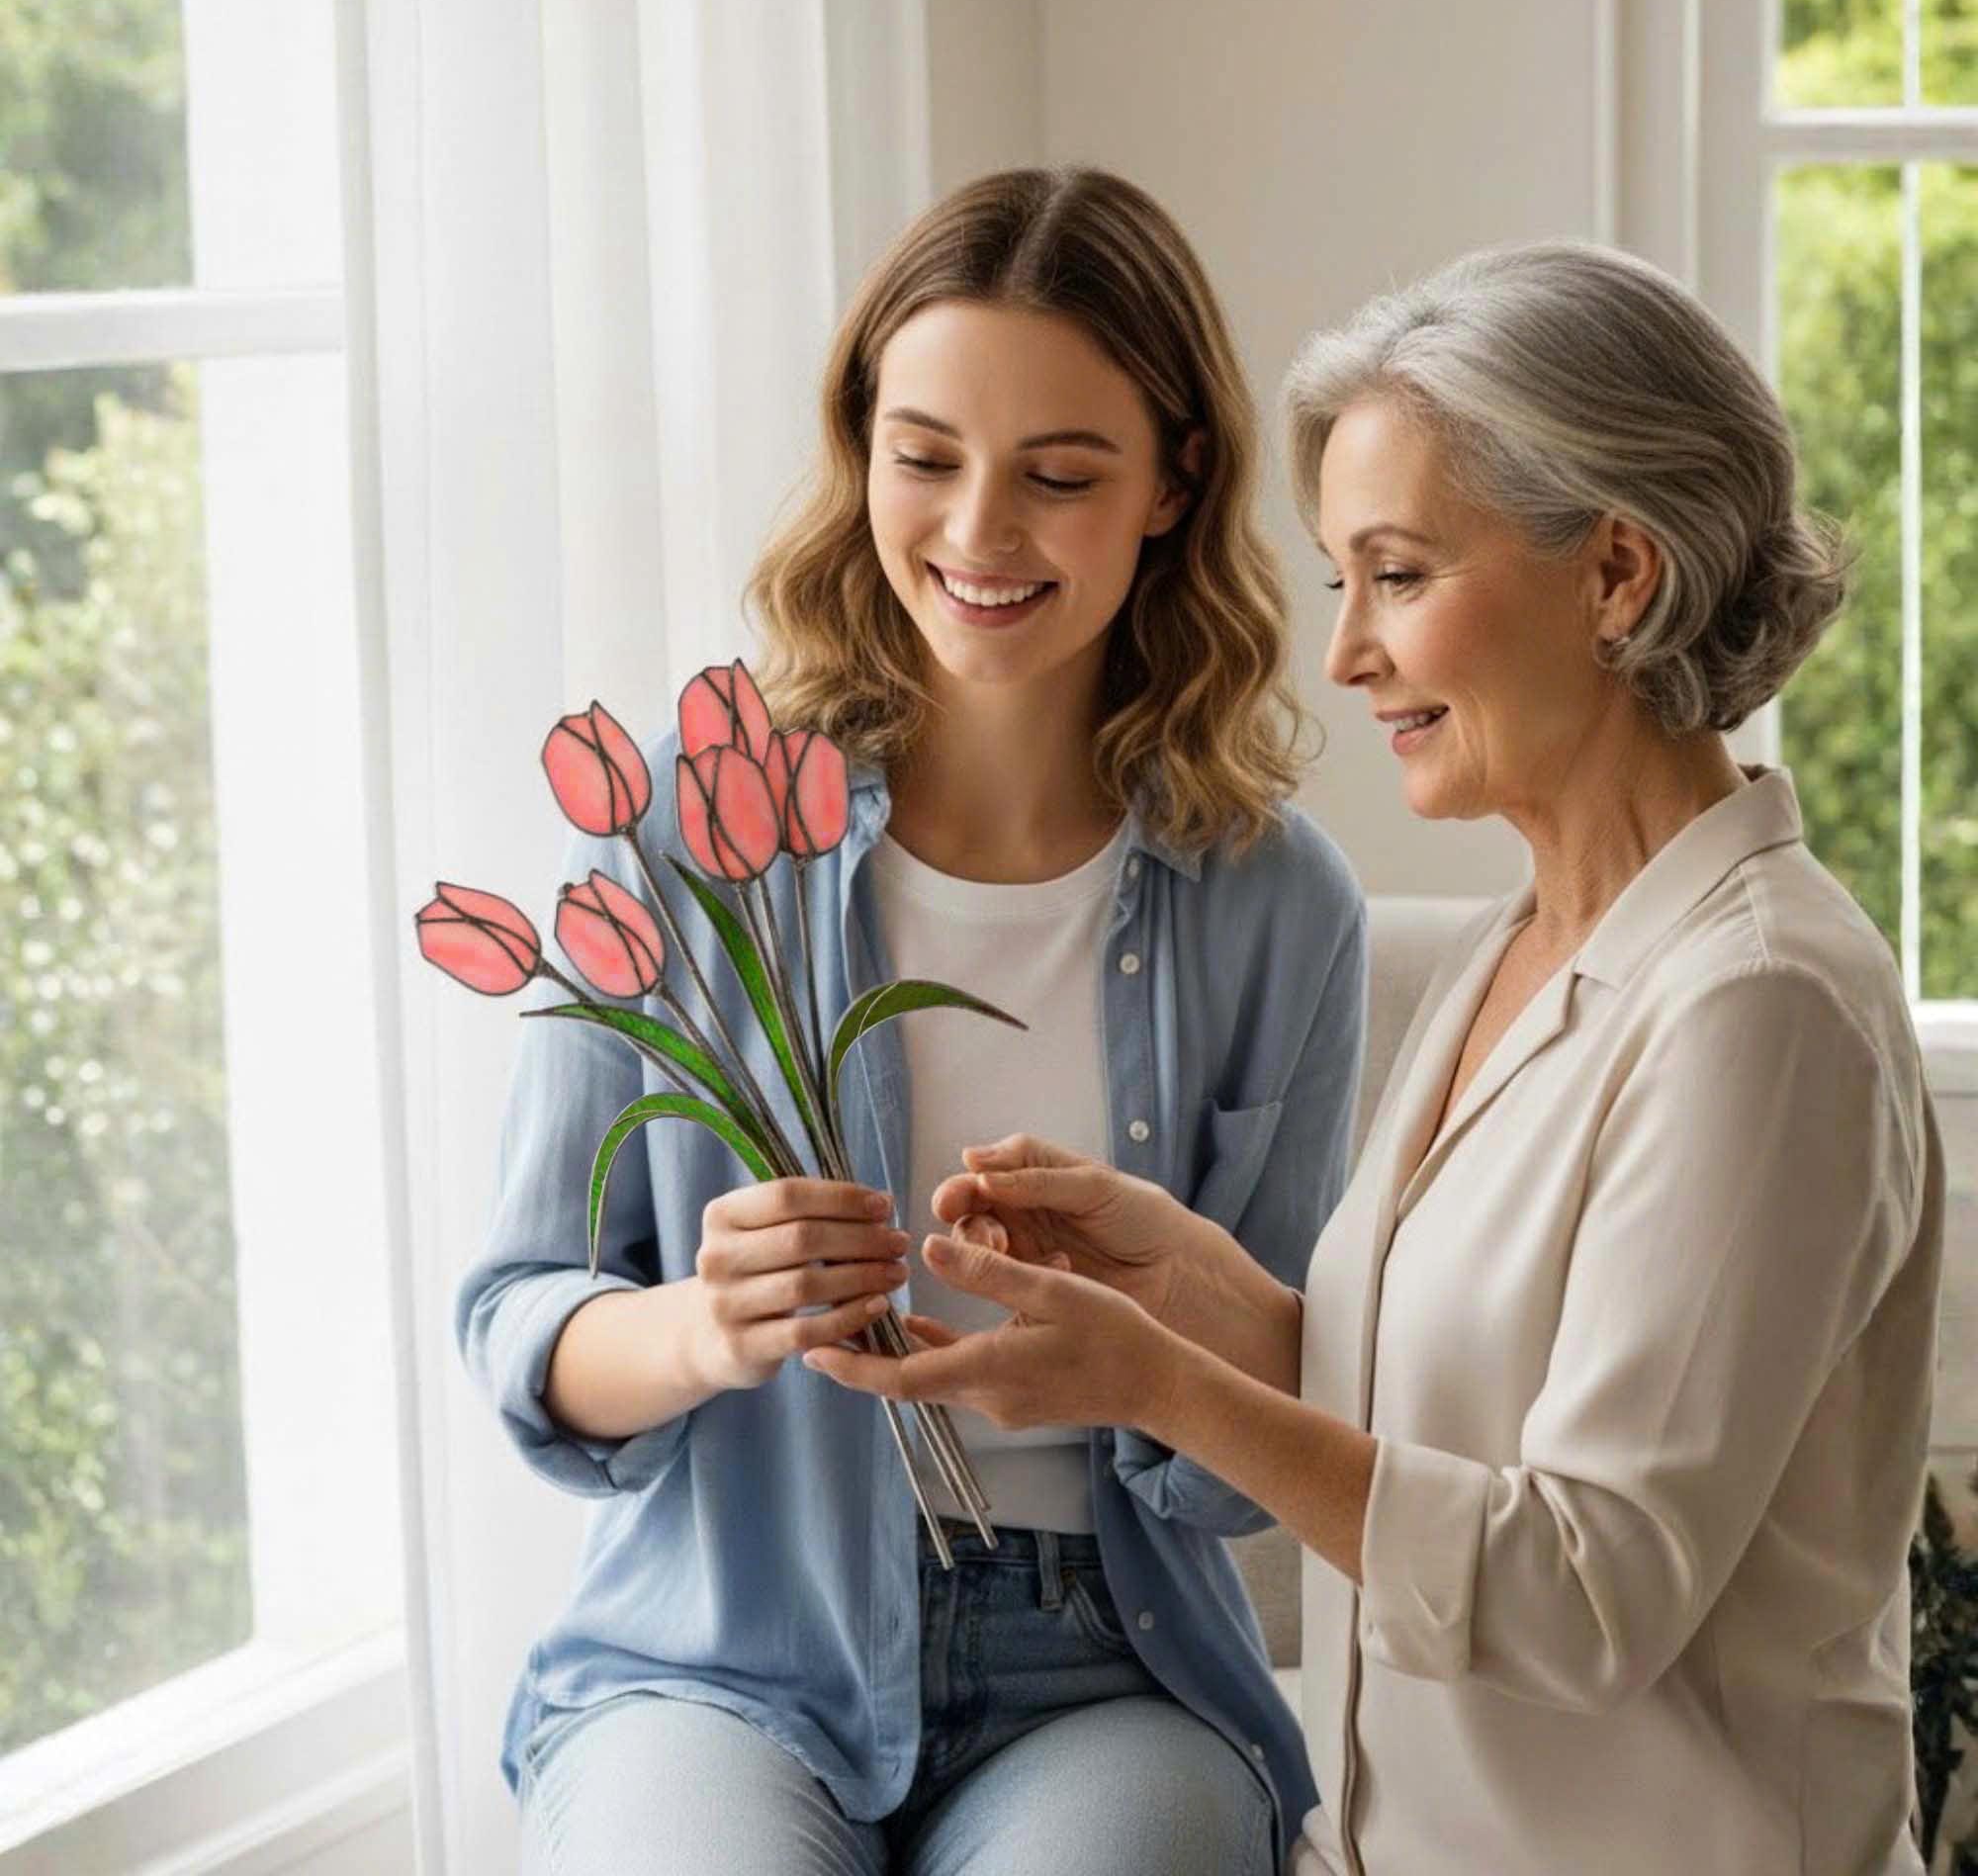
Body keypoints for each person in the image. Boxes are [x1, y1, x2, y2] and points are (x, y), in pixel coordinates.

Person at [810, 240, 1944, 1876]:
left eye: (1399, 576)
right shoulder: (1525, 942)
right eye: (1343, 580)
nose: (1344, 655)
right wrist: (1189, 1291)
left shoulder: (1757, 1011)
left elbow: (1580, 1590)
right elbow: (1445, 1430)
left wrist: (1156, 1387)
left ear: (1616, 576)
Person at [455, 165, 1368, 1875]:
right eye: (925, 457)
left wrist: (1150, 1354)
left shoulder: (1277, 903)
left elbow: (1280, 1432)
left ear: (1175, 484)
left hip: (1113, 1674)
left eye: (1061, 476)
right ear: (860, 447)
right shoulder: (676, 829)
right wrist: (708, 1329)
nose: (977, 533)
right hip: (716, 1660)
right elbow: (522, 1316)